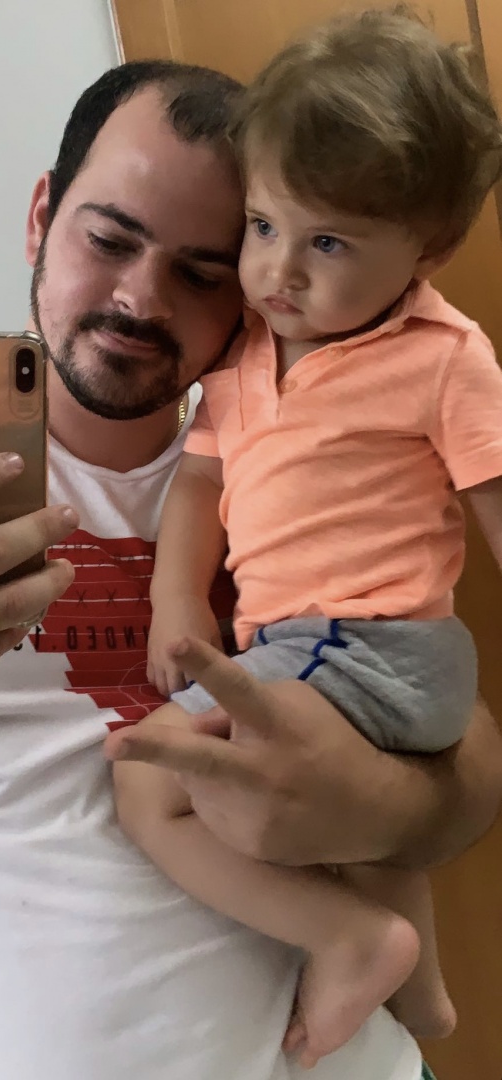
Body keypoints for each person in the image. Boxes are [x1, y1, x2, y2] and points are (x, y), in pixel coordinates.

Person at [0, 57, 500, 1080]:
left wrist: (385, 805)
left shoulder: (296, 461)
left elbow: (466, 755)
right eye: (108, 239)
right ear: (41, 217)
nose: (138, 298)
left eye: (201, 271)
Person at [105, 9, 502, 1075]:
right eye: (263, 226)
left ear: (428, 252)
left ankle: (346, 939)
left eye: (327, 243)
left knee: (147, 785)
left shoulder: (442, 356)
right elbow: (200, 484)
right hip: (314, 646)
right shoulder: (245, 354)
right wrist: (178, 602)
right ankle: (420, 992)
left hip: (369, 643)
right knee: (358, 822)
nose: (277, 271)